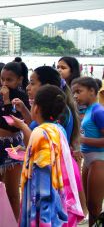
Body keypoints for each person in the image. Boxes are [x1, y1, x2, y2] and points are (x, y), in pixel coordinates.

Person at [12, 66, 87, 220]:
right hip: (56, 167)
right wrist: (25, 112)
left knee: (49, 215)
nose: (27, 87)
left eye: (32, 83)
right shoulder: (55, 113)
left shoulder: (59, 115)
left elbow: (41, 136)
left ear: (46, 86)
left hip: (52, 173)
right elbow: (38, 127)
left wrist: (22, 127)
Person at [0, 61, 30, 219]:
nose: (4, 83)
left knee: (12, 193)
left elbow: (14, 122)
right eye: (2, 79)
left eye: (9, 80)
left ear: (19, 80)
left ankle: (14, 221)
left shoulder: (21, 96)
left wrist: (8, 101)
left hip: (13, 145)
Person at [72, 77, 104, 226]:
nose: (75, 96)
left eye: (79, 91)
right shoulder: (90, 109)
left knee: (95, 206)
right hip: (89, 160)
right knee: (90, 206)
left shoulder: (98, 111)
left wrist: (81, 139)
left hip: (99, 160)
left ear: (92, 91)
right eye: (73, 93)